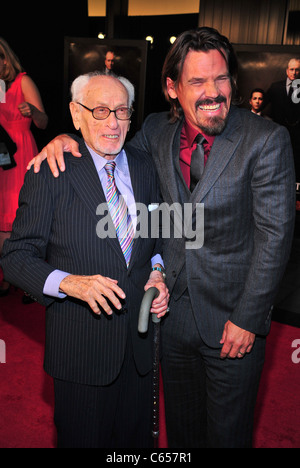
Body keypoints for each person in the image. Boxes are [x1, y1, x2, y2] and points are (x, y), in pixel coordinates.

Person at [28, 27, 295, 448]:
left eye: (221, 78)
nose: (213, 92)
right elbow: (105, 145)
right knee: (182, 434)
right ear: (172, 88)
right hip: (169, 323)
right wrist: (63, 138)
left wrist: (248, 318)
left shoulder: (266, 140)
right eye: (197, 81)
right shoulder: (154, 131)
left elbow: (275, 236)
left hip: (233, 321)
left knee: (228, 437)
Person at [0, 72, 169, 448]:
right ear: (76, 115)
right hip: (81, 352)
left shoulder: (144, 166)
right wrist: (68, 282)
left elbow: (158, 238)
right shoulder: (51, 171)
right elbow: (15, 256)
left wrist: (158, 272)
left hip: (140, 352)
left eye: (121, 111)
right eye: (100, 110)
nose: (112, 122)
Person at [0, 38, 48, 297]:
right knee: (3, 216)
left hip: (22, 149)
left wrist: (32, 111)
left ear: (4, 59)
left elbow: (44, 122)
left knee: (21, 215)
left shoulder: (23, 82)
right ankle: (10, 274)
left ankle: (28, 278)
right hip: (2, 151)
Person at [264, 58, 300, 178]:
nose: (294, 72)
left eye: (297, 70)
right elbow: (262, 103)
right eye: (292, 69)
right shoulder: (275, 87)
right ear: (287, 71)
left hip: (297, 134)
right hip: (278, 131)